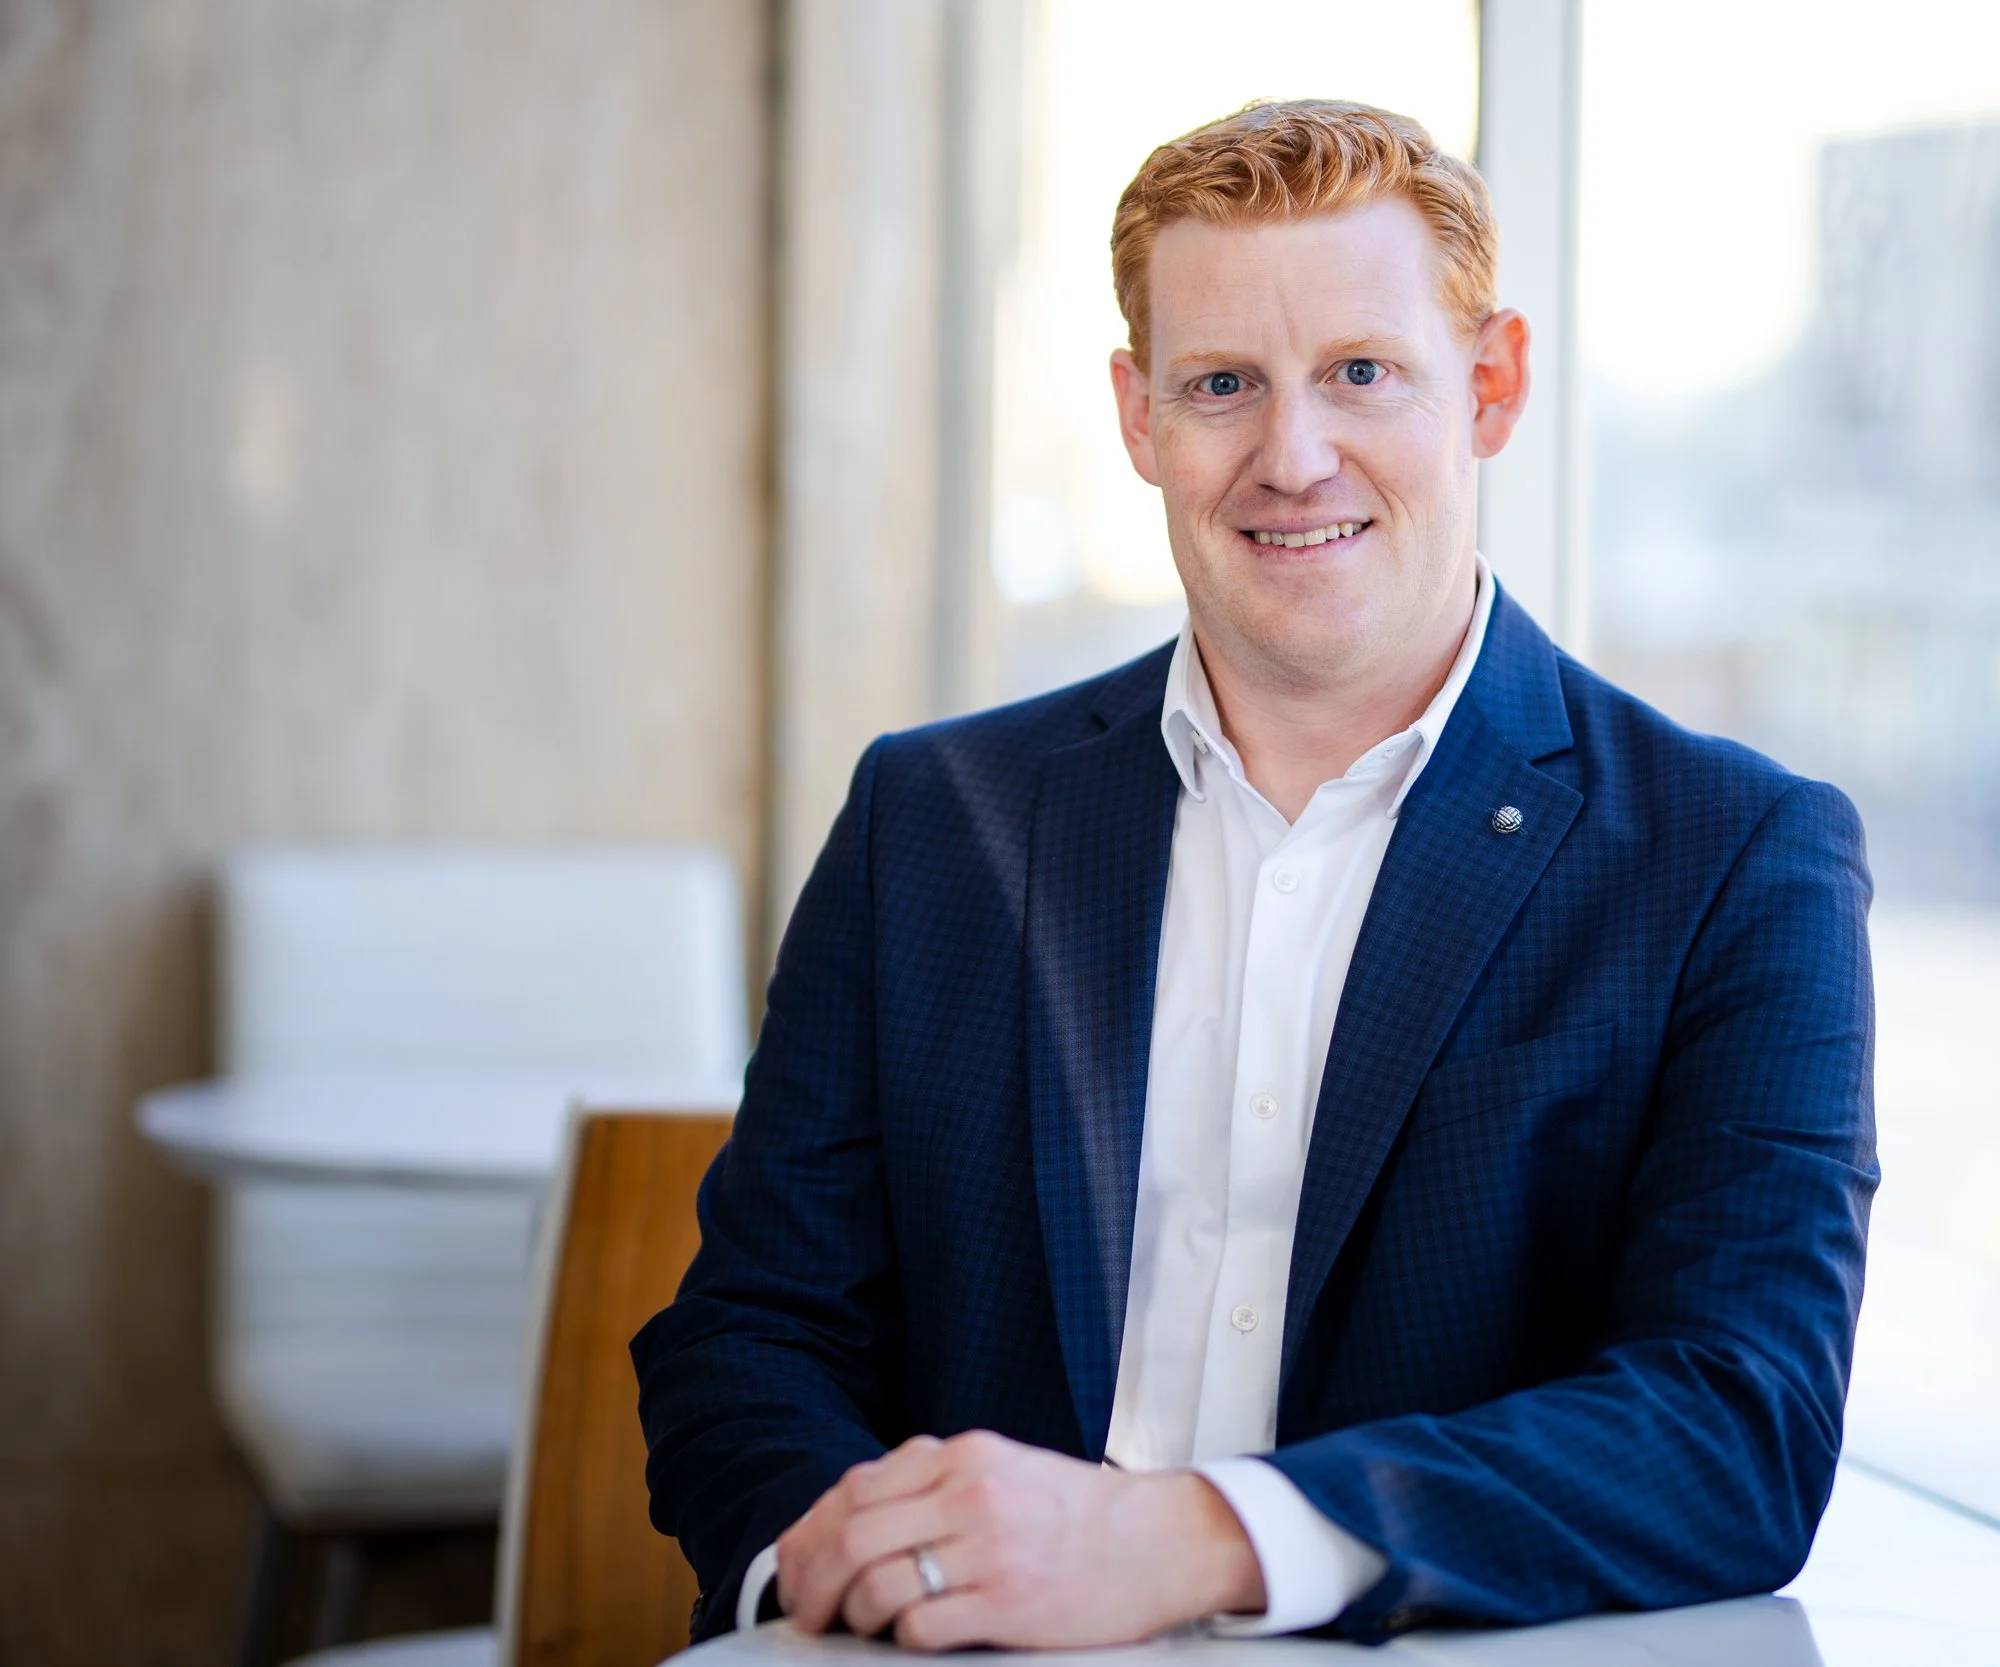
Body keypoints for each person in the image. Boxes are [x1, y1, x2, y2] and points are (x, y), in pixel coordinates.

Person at [633, 99, 1877, 1652]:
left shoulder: (1734, 858)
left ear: (1491, 386)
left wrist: (1193, 1539)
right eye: (1223, 384)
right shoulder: (931, 817)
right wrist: (872, 1588)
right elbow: (750, 1333)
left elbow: (1734, 1423)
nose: (1293, 457)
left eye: (1362, 372)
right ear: (1139, 415)